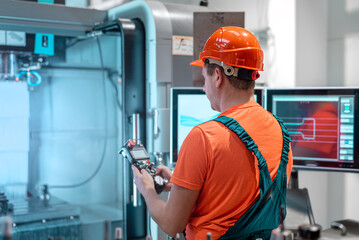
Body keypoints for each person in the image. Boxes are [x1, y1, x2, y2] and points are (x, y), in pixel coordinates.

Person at [132, 26, 293, 240]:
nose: (203, 88)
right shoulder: (281, 132)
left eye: (203, 79)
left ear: (217, 76)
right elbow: (237, 193)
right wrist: (181, 183)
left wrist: (147, 190)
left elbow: (172, 224)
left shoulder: (204, 136)